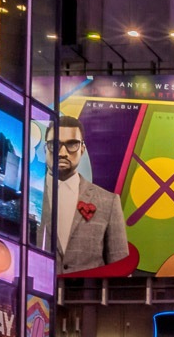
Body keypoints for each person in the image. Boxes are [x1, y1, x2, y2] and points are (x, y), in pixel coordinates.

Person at [42, 115, 130, 274]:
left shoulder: (107, 202)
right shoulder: (25, 196)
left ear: (82, 149)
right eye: (55, 144)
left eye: (72, 144)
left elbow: (120, 267)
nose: (62, 153)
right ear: (45, 149)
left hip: (89, 297)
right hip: (31, 295)